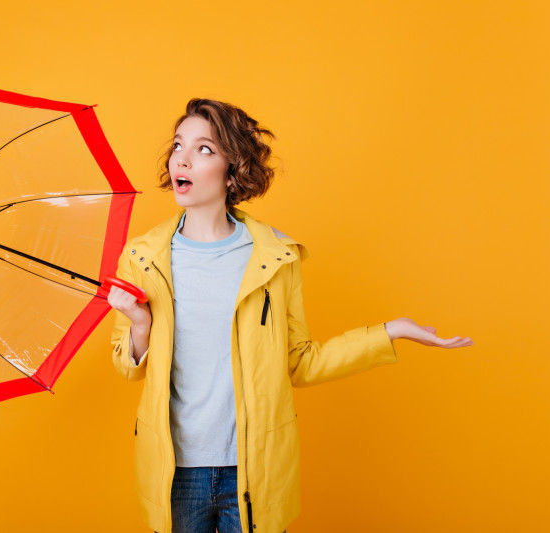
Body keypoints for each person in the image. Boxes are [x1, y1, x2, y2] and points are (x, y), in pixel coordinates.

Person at [108, 98, 473, 533]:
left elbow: (300, 361)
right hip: (175, 473)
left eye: (204, 149)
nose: (181, 159)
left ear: (234, 168)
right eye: (178, 145)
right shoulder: (142, 257)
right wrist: (141, 324)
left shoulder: (275, 256)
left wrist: (389, 332)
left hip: (256, 467)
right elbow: (127, 367)